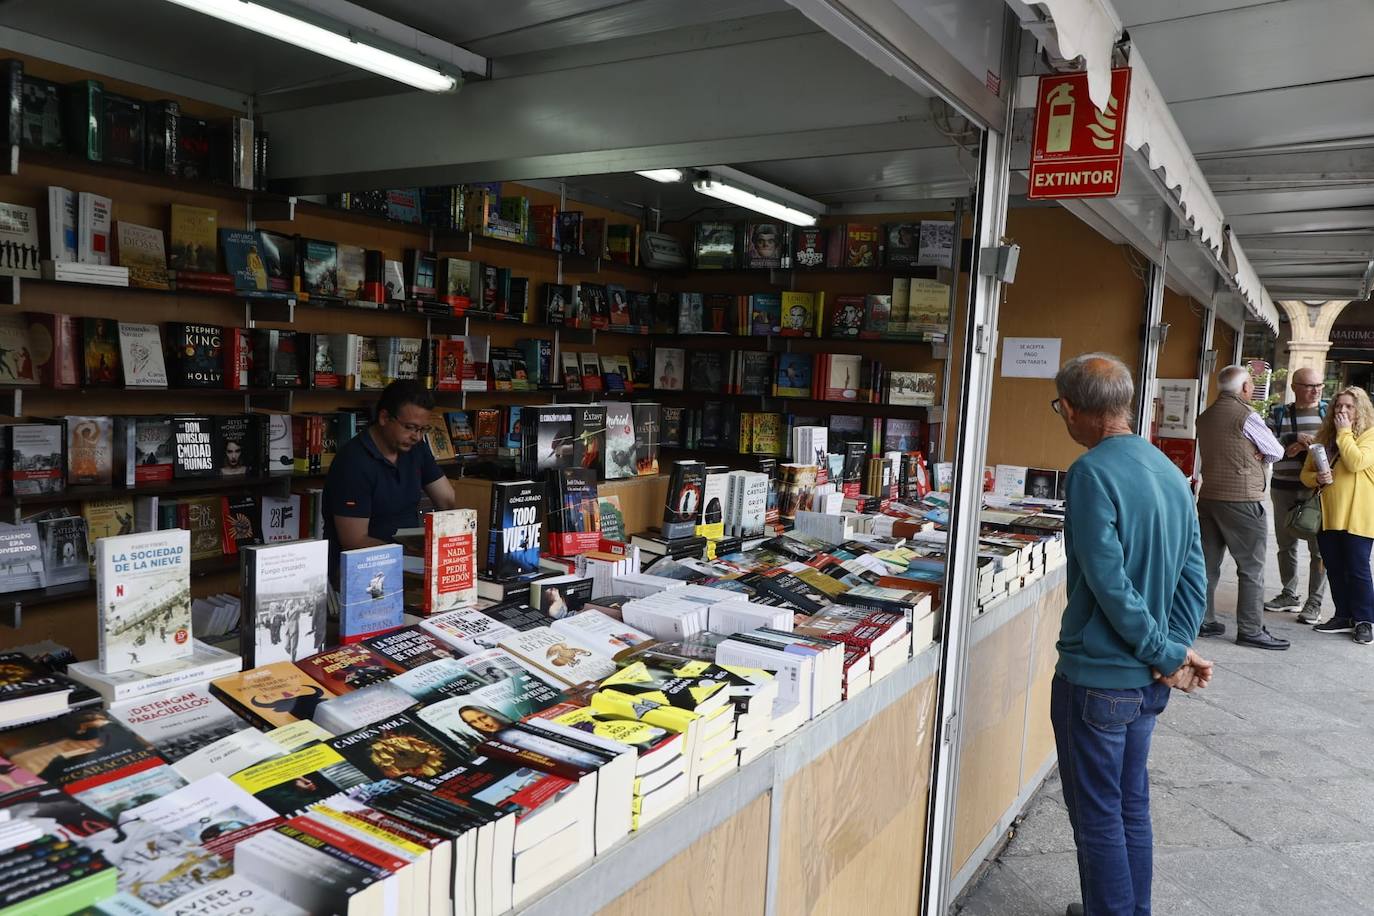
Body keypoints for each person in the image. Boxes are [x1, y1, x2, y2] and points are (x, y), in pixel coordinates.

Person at [1049, 353, 1212, 916]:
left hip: (1099, 678)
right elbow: (1195, 575)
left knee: (1098, 817)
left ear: (1074, 409)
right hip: (1145, 681)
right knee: (1129, 808)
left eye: (1060, 409)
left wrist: (1166, 651)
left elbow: (1109, 582)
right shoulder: (1168, 469)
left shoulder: (1092, 472)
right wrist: (1171, 651)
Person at [323, 380, 457, 581]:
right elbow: (353, 540)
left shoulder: (415, 448)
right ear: (384, 417)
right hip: (363, 573)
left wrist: (454, 547)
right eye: (410, 427)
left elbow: (447, 499)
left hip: (411, 566)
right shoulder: (353, 462)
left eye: (422, 429)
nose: (417, 437)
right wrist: (407, 554)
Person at [1194, 365, 1289, 649]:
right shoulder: (1247, 416)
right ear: (1246, 388)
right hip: (1243, 499)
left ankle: (1203, 620)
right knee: (1251, 567)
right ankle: (1249, 629)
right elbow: (1276, 451)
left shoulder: (1205, 416)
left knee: (1207, 565)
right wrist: (1258, 453)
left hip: (1209, 497)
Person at [1301, 387, 1374, 644]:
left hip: (1357, 517)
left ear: (1360, 410)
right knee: (1334, 568)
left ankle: (1365, 620)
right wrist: (1316, 477)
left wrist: (1344, 432)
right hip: (1328, 516)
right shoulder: (1325, 436)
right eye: (1338, 406)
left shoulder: (1370, 436)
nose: (1342, 411)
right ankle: (1344, 615)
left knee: (1357, 570)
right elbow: (1305, 474)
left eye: (1349, 407)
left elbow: (1356, 462)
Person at [1265, 368, 1328, 622]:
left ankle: (1315, 602)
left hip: (1317, 489)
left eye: (1319, 385)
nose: (1316, 390)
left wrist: (1310, 444)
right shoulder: (1278, 413)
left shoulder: (1329, 413)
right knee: (1285, 543)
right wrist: (1291, 437)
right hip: (1283, 486)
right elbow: (1264, 444)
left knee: (1319, 548)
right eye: (1309, 385)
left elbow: (1341, 446)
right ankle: (1289, 593)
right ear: (1294, 387)